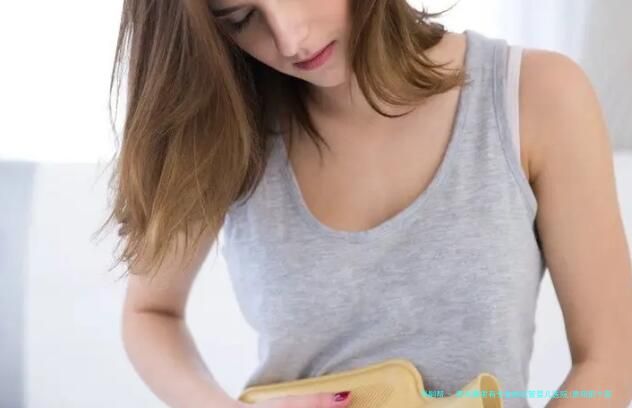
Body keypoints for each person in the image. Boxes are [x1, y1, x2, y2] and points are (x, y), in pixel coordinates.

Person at [98, 0, 632, 407]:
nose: (290, 38)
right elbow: (150, 312)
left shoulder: (536, 96)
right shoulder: (231, 131)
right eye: (242, 18)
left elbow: (612, 358)